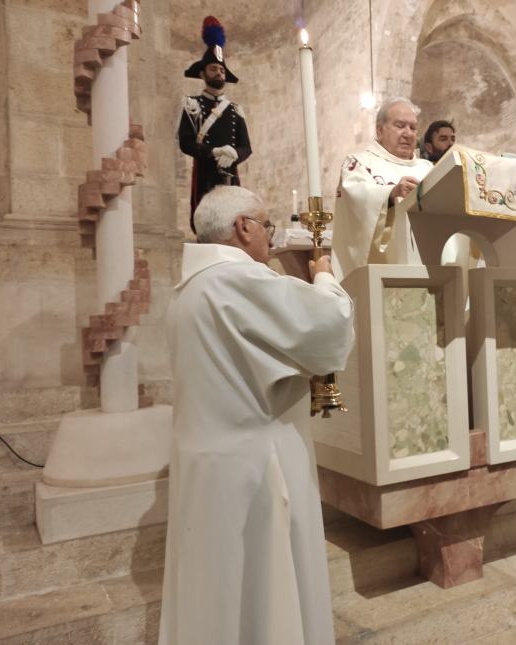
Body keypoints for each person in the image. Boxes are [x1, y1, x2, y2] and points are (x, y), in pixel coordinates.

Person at [159, 186, 355, 645]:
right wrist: (324, 275)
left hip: (205, 462)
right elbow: (329, 324)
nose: (269, 235)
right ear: (243, 227)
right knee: (264, 587)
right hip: (253, 466)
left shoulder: (185, 291)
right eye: (266, 226)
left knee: (217, 588)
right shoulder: (237, 280)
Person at [331, 97, 433, 280]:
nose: (408, 133)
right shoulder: (359, 162)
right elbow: (355, 199)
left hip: (429, 267)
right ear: (379, 130)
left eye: (413, 127)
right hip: (383, 273)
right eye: (400, 125)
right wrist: (390, 195)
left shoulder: (428, 168)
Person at [178, 16, 252, 234]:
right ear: (202, 74)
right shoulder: (192, 105)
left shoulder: (235, 109)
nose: (219, 73)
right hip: (205, 175)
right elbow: (186, 143)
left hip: (230, 175)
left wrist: (234, 153)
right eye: (213, 69)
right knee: (205, 225)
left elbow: (246, 146)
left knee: (233, 225)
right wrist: (213, 151)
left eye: (221, 70)